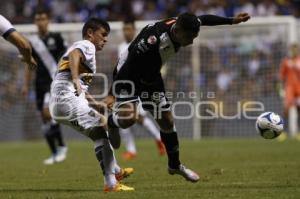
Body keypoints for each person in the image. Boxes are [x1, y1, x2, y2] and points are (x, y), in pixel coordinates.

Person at [106, 12, 250, 183]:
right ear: (179, 31)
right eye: (190, 37)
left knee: (167, 120)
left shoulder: (185, 23)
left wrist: (232, 21)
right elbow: (128, 64)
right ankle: (112, 122)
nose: (192, 41)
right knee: (129, 118)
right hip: (129, 73)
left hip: (151, 75)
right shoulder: (152, 41)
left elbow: (203, 19)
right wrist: (111, 94)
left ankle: (175, 165)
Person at [49, 17, 134, 192]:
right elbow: (75, 56)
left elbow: (81, 86)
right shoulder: (86, 45)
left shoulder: (83, 51)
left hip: (59, 105)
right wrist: (74, 78)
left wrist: (95, 103)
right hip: (67, 100)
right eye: (103, 35)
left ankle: (116, 171)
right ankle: (111, 182)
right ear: (90, 33)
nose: (106, 39)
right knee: (102, 130)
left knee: (99, 129)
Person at [22, 9, 68, 165]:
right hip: (39, 84)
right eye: (37, 19)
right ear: (35, 22)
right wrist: (26, 85)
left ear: (48, 21)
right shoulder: (32, 42)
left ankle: (62, 146)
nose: (40, 21)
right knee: (44, 120)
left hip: (53, 82)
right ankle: (55, 153)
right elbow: (29, 65)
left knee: (47, 113)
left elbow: (66, 59)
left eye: (43, 18)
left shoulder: (57, 38)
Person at [118, 19, 165, 160]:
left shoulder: (141, 44)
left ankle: (158, 139)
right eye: (124, 29)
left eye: (129, 29)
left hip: (137, 86)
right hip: (124, 86)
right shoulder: (120, 47)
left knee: (138, 117)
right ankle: (132, 149)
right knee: (123, 116)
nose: (127, 32)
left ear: (133, 30)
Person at [280, 44, 300, 139]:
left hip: (299, 89)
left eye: (296, 49)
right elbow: (282, 76)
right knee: (286, 110)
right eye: (292, 49)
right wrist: (280, 88)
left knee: (299, 109)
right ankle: (283, 132)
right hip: (289, 88)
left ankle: (298, 132)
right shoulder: (286, 61)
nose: (294, 51)